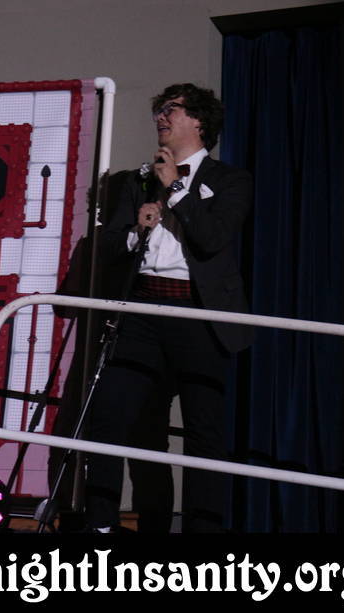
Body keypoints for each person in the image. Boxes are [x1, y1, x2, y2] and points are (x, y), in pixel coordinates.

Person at [85, 83, 253, 533]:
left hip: (199, 316)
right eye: (158, 109)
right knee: (109, 416)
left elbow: (212, 238)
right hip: (141, 310)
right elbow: (109, 246)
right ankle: (101, 527)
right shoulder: (137, 179)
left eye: (172, 109)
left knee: (203, 434)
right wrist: (135, 232)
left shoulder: (230, 180)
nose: (161, 116)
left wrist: (174, 187)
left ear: (199, 121)